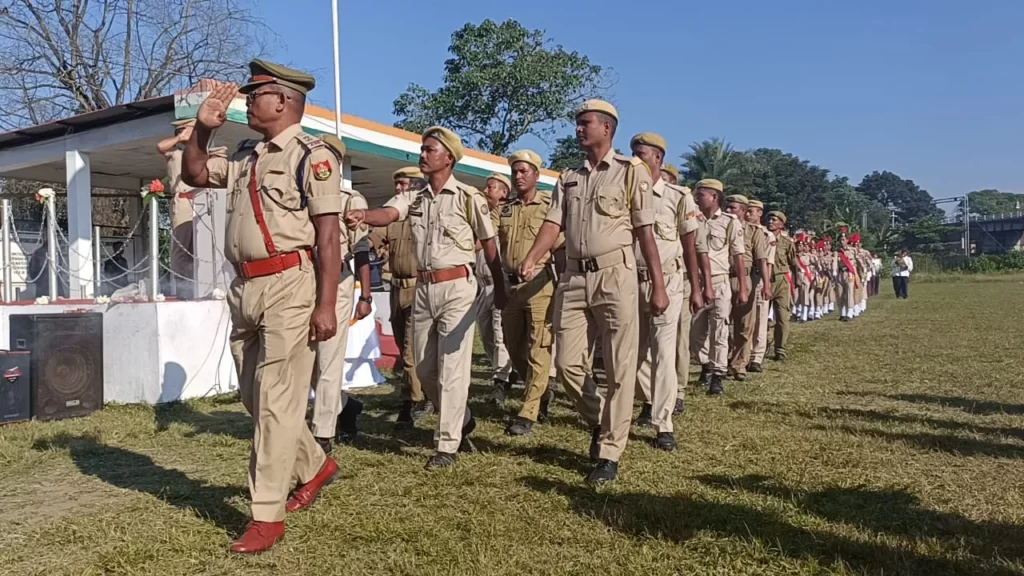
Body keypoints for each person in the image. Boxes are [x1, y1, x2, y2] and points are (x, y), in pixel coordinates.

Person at [181, 62, 344, 553]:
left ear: (283, 100)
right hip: (245, 288)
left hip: (291, 284)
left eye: (256, 94)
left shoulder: (314, 155)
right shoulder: (248, 155)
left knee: (275, 399)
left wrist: (327, 303)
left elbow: (330, 234)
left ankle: (266, 516)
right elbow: (193, 172)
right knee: (257, 399)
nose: (247, 101)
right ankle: (315, 465)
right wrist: (204, 128)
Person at [518, 99, 666, 484]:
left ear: (606, 128)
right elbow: (553, 224)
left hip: (616, 275)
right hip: (572, 277)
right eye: (577, 123)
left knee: (619, 366)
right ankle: (602, 420)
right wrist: (533, 256)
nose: (579, 129)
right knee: (566, 365)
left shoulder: (630, 172)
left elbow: (645, 231)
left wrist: (658, 285)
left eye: (585, 123)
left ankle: (610, 452)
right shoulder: (568, 177)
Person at [344, 126, 506, 470]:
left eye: (429, 150)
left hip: (458, 287)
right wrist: (364, 215)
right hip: (423, 288)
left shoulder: (467, 197)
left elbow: (489, 244)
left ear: (448, 157)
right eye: (421, 149)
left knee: (452, 366)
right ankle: (460, 417)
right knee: (423, 366)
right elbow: (389, 214)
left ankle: (447, 445)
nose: (422, 155)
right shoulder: (414, 196)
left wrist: (501, 288)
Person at [628, 133, 703, 450]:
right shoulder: (625, 192)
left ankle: (663, 424)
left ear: (657, 158)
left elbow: (690, 249)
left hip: (669, 282)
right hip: (631, 280)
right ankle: (649, 400)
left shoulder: (678, 196)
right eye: (632, 153)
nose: (635, 159)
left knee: (663, 352)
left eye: (641, 153)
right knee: (631, 353)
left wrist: (696, 289)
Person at [309, 134, 372, 452]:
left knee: (329, 359)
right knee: (308, 363)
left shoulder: (350, 199)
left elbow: (361, 250)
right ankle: (346, 406)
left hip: (340, 282)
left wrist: (365, 295)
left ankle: (322, 433)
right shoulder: (302, 196)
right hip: (305, 284)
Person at [498, 149, 561, 436]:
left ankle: (529, 410)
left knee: (539, 346)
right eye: (515, 171)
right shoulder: (506, 208)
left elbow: (560, 243)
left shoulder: (549, 207)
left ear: (537, 174)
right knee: (514, 346)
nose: (519, 176)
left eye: (524, 171)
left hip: (539, 285)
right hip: (510, 286)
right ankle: (540, 390)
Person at [372, 167, 431, 429]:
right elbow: (374, 236)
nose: (398, 189)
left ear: (416, 187)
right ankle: (426, 392)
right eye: (397, 184)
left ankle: (409, 404)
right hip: (396, 289)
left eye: (403, 184)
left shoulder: (427, 213)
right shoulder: (392, 216)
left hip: (420, 289)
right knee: (403, 345)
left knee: (409, 350)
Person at [691, 180, 745, 395]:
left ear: (714, 196)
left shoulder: (729, 222)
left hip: (719, 280)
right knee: (694, 333)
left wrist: (742, 287)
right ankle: (705, 363)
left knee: (719, 330)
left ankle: (717, 375)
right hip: (696, 282)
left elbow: (738, 256)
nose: (697, 198)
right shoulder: (692, 218)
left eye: (701, 194)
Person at [477, 173, 514, 403]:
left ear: (503, 193)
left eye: (491, 187)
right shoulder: (479, 215)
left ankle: (499, 382)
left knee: (500, 333)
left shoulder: (507, 216)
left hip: (499, 281)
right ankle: (503, 370)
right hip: (481, 284)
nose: (486, 190)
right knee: (486, 335)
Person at [724, 194, 768, 381]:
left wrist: (766, 285)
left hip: (745, 279)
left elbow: (762, 259)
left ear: (742, 211)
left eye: (732, 208)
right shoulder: (722, 226)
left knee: (744, 325)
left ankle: (739, 365)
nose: (728, 211)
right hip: (724, 277)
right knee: (723, 323)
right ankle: (723, 362)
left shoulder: (753, 231)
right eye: (727, 207)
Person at [156, 118, 199, 298]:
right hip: (183, 201)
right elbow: (160, 147)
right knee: (181, 247)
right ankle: (183, 288)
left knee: (198, 247)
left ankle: (197, 286)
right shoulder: (175, 153)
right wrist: (180, 138)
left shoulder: (197, 152)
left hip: (201, 200)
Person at [746, 200, 775, 373]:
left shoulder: (766, 235)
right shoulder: (740, 230)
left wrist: (767, 284)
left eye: (752, 211)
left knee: (760, 318)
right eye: (747, 211)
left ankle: (756, 357)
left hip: (759, 278)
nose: (748, 214)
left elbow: (768, 262)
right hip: (744, 277)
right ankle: (744, 354)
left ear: (759, 213)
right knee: (745, 320)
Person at [766, 211, 798, 361]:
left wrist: (796, 281)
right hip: (764, 281)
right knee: (762, 318)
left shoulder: (787, 242)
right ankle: (763, 345)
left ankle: (780, 349)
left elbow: (793, 263)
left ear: (781, 224)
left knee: (782, 317)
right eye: (769, 219)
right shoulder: (761, 237)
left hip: (781, 282)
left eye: (774, 220)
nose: (770, 222)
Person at [836, 230, 860, 321]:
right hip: (840, 273)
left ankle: (850, 313)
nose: (842, 242)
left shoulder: (852, 250)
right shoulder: (837, 252)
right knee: (840, 293)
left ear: (847, 240)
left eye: (843, 239)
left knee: (850, 292)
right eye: (840, 240)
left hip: (849, 273)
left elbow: (858, 261)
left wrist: (860, 272)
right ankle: (842, 313)